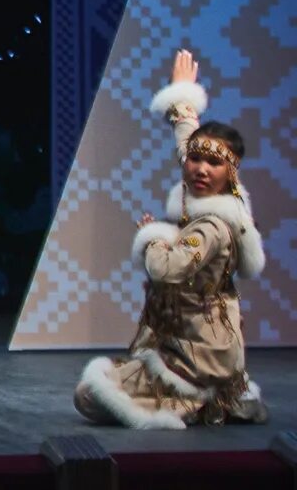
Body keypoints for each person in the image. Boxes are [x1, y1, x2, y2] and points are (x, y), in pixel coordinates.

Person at [75, 49, 267, 427]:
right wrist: (183, 97)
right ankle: (224, 397)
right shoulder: (214, 193)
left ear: (229, 173)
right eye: (196, 159)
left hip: (196, 351)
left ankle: (206, 402)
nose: (198, 168)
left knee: (89, 395)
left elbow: (166, 269)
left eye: (212, 163)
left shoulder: (211, 225)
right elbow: (187, 146)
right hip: (192, 336)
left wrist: (153, 239)